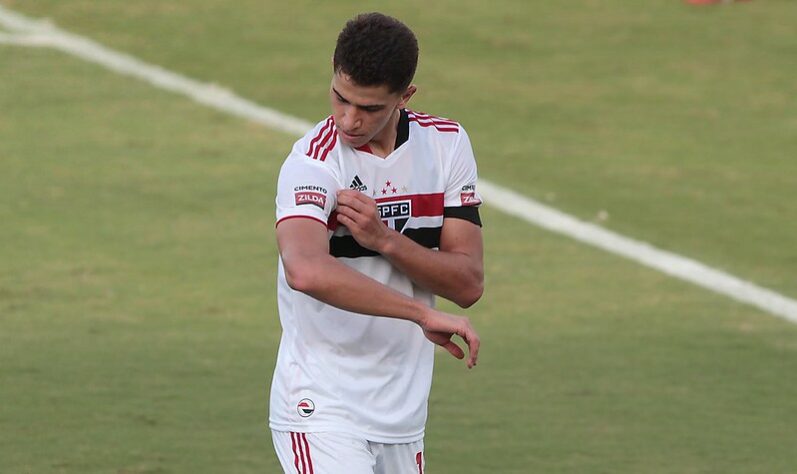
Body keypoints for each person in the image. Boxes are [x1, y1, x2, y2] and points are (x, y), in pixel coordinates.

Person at [269, 12, 484, 473]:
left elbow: (467, 283)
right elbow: (304, 270)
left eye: (369, 108)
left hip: (402, 412)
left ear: (404, 97)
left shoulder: (446, 145)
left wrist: (385, 240)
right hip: (320, 405)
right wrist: (422, 312)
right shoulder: (312, 163)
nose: (348, 119)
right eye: (340, 98)